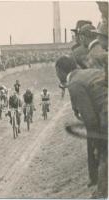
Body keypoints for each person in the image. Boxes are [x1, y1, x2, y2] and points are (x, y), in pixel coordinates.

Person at [55, 56, 107, 198]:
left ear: (60, 71)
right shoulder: (90, 72)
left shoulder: (74, 83)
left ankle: (101, 194)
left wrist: (96, 143)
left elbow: (90, 120)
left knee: (104, 154)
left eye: (56, 72)